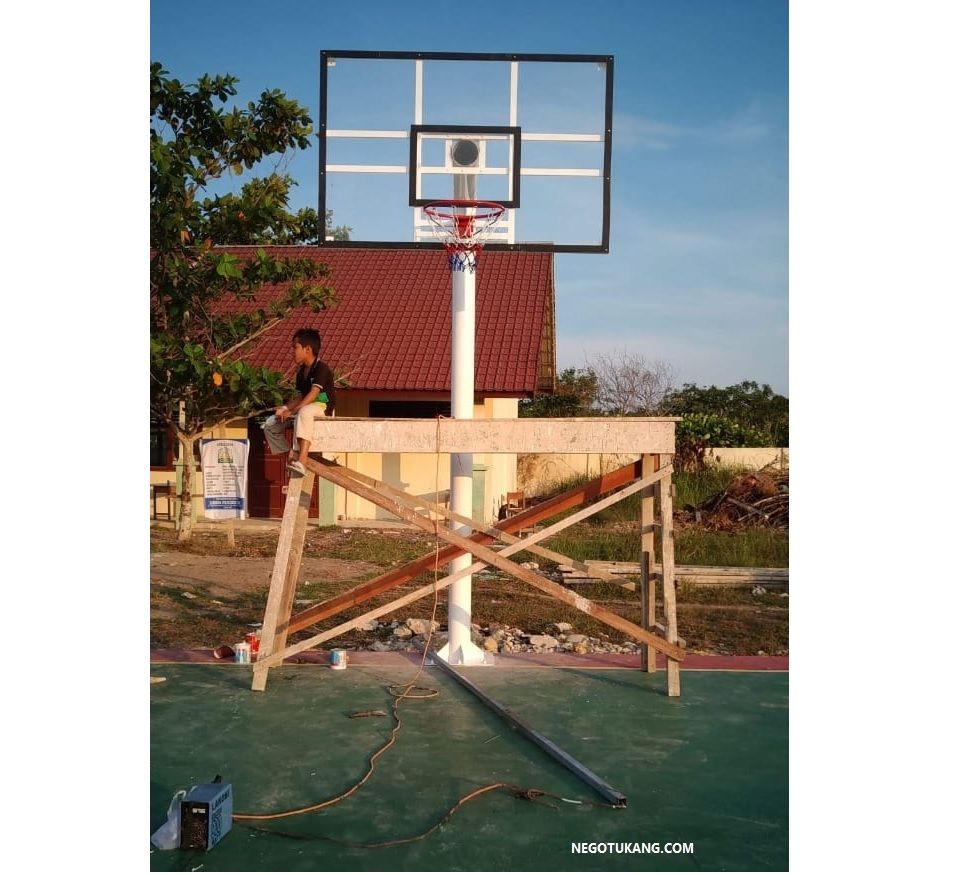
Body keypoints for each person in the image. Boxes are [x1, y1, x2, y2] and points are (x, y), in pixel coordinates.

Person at [262, 328, 336, 475]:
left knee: (304, 412)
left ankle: (301, 461)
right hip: (304, 409)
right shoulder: (301, 371)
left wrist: (292, 411)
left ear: (307, 349)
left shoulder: (322, 368)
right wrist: (284, 408)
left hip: (322, 407)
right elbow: (300, 397)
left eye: (295, 347)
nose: (292, 351)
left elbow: (313, 394)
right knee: (270, 425)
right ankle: (292, 457)